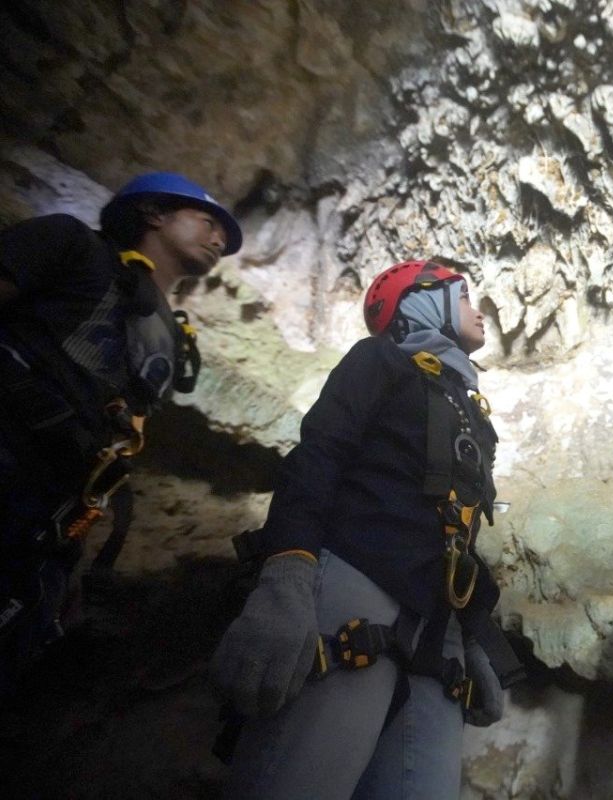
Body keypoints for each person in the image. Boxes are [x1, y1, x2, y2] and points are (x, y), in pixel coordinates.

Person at [212, 260, 524, 799]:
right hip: (358, 584)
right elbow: (318, 458)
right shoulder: (378, 360)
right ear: (422, 300)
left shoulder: (472, 412)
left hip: (434, 625)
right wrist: (285, 576)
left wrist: (469, 635)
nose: (479, 310)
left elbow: (460, 533)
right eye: (465, 295)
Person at [0, 172, 240, 682]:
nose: (219, 239)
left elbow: (116, 440)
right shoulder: (73, 246)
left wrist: (69, 557)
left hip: (43, 520)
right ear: (154, 213)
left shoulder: (169, 339)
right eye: (207, 220)